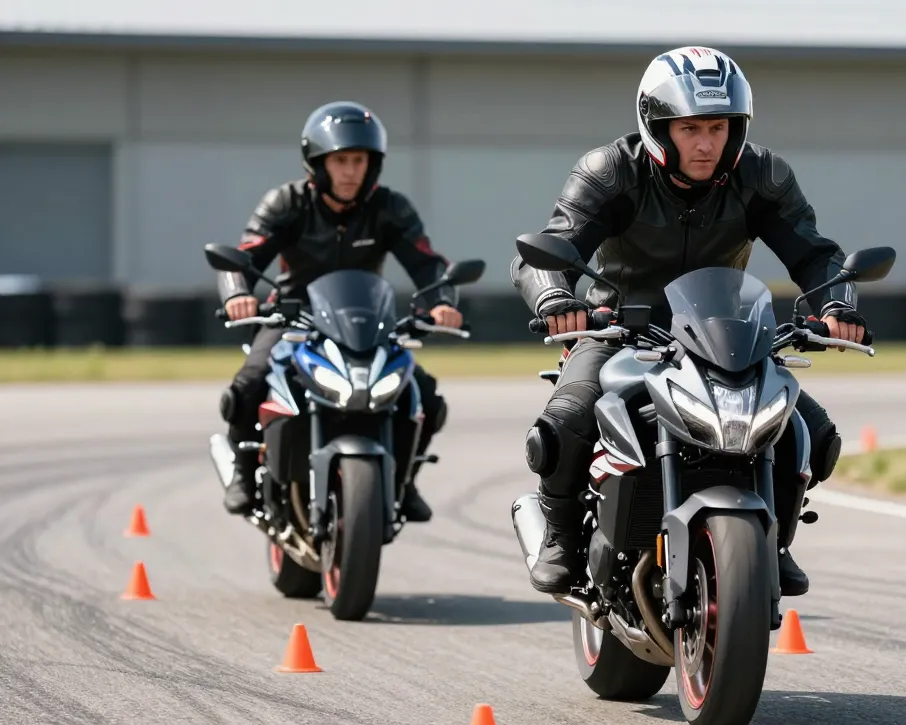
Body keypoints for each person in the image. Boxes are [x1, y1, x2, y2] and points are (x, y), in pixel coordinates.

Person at [511, 46, 869, 598]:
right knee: (566, 423)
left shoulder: (762, 176)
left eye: (720, 127)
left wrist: (836, 306)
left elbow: (815, 254)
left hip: (722, 332)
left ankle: (770, 540)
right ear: (657, 126)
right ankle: (561, 534)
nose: (707, 144)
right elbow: (547, 249)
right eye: (691, 128)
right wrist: (557, 299)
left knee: (811, 434)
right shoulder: (610, 172)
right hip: (620, 329)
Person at [217, 100, 463, 523]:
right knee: (247, 386)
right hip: (292, 319)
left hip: (365, 323)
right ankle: (244, 473)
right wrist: (237, 293)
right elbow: (246, 257)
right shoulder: (286, 203)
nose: (350, 171)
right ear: (318, 163)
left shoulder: (390, 208)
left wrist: (441, 301)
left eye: (359, 160)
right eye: (340, 160)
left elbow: (426, 263)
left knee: (424, 396)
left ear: (373, 164)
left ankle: (404, 480)